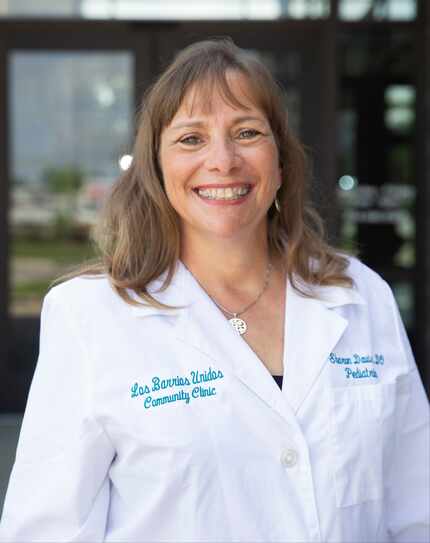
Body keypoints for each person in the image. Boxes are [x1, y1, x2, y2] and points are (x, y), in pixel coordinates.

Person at [0, 38, 429, 543]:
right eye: (191, 139)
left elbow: (415, 509)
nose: (223, 161)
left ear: (281, 160)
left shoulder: (360, 295)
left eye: (246, 132)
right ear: (157, 168)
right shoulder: (89, 315)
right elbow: (47, 531)